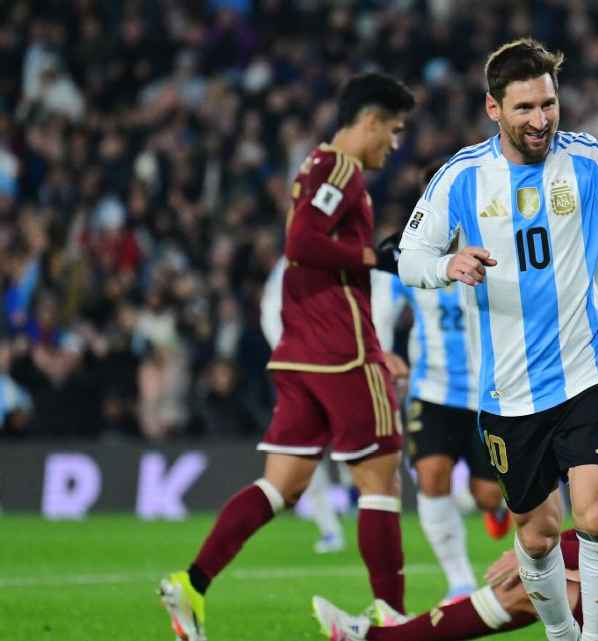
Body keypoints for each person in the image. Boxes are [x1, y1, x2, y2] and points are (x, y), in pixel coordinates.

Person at [397, 37, 598, 641]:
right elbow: (411, 255)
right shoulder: (461, 178)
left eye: (549, 104)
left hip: (589, 372)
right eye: (525, 109)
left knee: (597, 516)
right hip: (507, 391)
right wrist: (446, 266)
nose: (541, 120)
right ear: (494, 109)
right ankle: (561, 633)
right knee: (537, 538)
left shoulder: (585, 158)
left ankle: (595, 638)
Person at [158, 71, 416, 641]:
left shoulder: (312, 166)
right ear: (369, 121)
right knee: (380, 481)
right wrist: (374, 258)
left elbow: (303, 241)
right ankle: (392, 619)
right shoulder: (343, 170)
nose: (393, 145)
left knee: (283, 485)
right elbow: (301, 242)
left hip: (300, 351)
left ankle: (192, 582)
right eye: (392, 131)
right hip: (342, 350)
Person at [311, 369, 598, 641]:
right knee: (545, 584)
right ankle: (399, 631)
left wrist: (540, 550)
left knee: (531, 585)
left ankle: (380, 637)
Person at [375, 237, 512, 605]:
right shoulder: (413, 254)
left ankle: (496, 508)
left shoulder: (491, 238)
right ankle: (460, 583)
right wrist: (383, 350)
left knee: (487, 495)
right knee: (432, 475)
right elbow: (383, 296)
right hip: (432, 390)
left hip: (488, 392)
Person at [260, 255, 411, 555]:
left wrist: (379, 353)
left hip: (357, 365)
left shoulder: (366, 256)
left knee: (360, 446)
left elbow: (385, 307)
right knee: (306, 452)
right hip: (315, 367)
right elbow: (270, 311)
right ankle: (331, 527)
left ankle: (360, 507)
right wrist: (293, 354)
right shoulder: (294, 259)